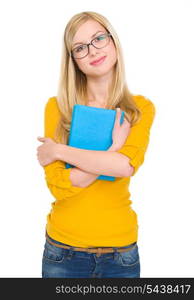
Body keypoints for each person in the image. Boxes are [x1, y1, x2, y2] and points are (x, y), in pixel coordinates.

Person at [36, 11, 156, 278]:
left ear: (113, 42)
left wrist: (58, 150)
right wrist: (113, 149)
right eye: (80, 47)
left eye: (98, 38)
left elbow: (125, 167)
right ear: (73, 60)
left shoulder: (138, 109)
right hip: (62, 252)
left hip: (120, 254)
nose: (92, 51)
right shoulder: (57, 108)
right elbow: (61, 186)